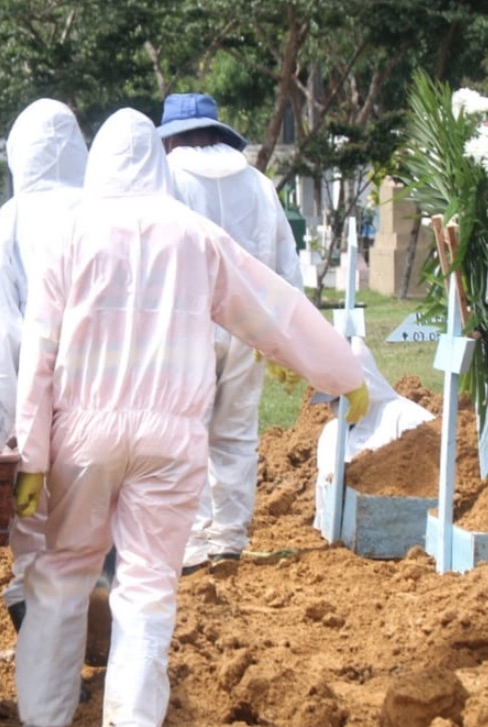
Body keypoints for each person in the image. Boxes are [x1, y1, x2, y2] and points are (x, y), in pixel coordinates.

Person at [10, 108, 367, 727]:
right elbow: (275, 312)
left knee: (62, 569)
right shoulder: (196, 235)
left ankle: (42, 719)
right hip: (172, 439)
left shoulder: (68, 234)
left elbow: (38, 355)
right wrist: (344, 374)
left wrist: (31, 456)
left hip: (82, 435)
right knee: (148, 583)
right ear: (157, 163)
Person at [157, 92, 307, 576]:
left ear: (172, 138)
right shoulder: (259, 184)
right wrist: (289, 336)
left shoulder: (165, 178)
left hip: (186, 326)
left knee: (185, 431)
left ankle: (192, 543)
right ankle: (228, 539)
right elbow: (286, 264)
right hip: (248, 324)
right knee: (237, 433)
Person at [0, 99, 88, 632]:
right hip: (107, 406)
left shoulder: (8, 225)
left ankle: (44, 643)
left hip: (35, 406)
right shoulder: (105, 212)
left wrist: (4, 432)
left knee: (33, 532)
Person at [312, 337, 434, 533]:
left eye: (339, 397)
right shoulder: (331, 434)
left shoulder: (409, 422)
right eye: (331, 399)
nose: (332, 405)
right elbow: (323, 503)